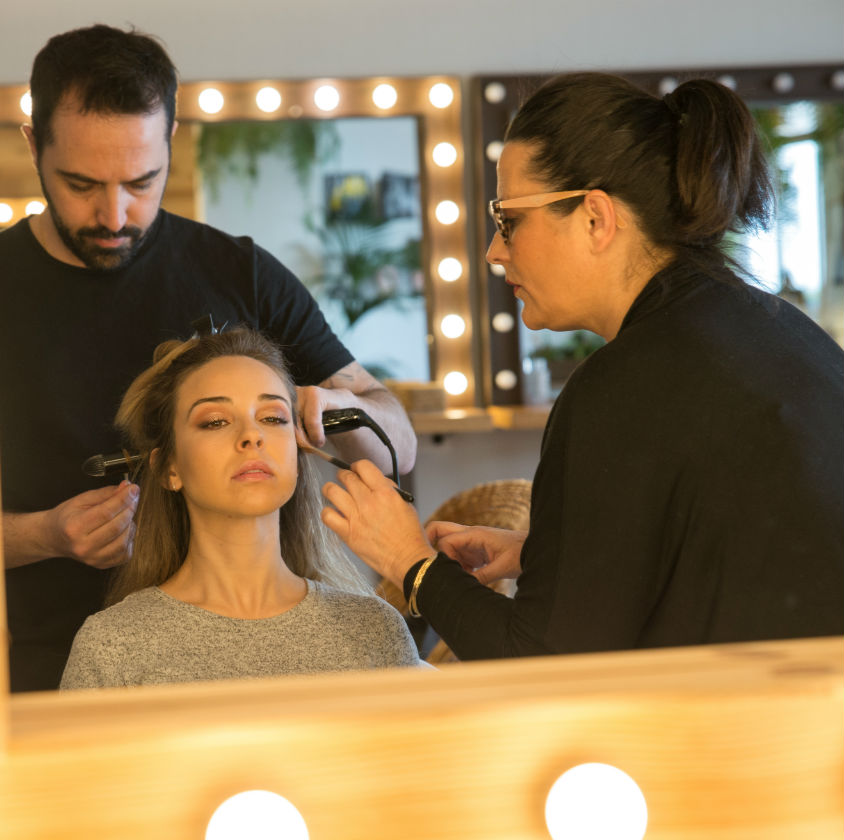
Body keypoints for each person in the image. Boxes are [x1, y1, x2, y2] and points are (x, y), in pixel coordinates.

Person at [322, 72, 844, 659]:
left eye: (509, 220)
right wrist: (547, 551)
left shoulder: (623, 387)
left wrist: (410, 564)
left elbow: (543, 664)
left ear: (596, 218)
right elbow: (735, 542)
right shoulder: (783, 332)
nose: (495, 251)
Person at [0, 24, 416, 692]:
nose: (114, 212)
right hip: (32, 665)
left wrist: (334, 412)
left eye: (141, 181)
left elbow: (399, 439)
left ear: (170, 140)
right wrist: (45, 535)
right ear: (31, 142)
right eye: (81, 184)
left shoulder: (240, 274)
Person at [60, 328, 424, 688]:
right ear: (169, 468)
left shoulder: (375, 630)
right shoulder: (111, 649)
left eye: (273, 418)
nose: (253, 435)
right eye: (215, 421)